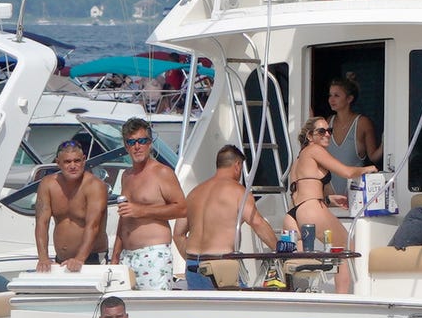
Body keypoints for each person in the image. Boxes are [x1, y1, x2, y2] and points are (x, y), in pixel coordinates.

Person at [175, 144, 276, 289]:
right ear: (237, 165)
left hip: (193, 265)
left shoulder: (194, 193)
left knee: (201, 311)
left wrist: (196, 260)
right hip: (220, 265)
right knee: (237, 311)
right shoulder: (238, 191)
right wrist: (279, 251)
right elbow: (257, 223)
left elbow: (178, 234)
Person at [285, 118, 368, 289]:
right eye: (321, 131)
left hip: (293, 214)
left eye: (329, 130)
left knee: (301, 270)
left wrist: (329, 199)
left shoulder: (299, 159)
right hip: (311, 209)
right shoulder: (315, 149)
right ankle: (342, 303)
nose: (327, 134)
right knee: (345, 250)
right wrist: (369, 169)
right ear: (310, 136)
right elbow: (347, 172)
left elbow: (301, 190)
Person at [110, 119, 186, 292]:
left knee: (155, 310)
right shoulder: (127, 176)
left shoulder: (162, 172)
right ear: (126, 145)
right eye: (132, 142)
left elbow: (182, 208)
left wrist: (141, 210)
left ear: (150, 143)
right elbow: (124, 217)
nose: (137, 146)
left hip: (153, 254)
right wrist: (115, 257)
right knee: (127, 308)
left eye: (142, 141)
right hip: (126, 257)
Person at [35, 137, 108, 271]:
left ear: (84, 160)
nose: (73, 166)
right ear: (58, 163)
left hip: (91, 258)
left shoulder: (95, 186)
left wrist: (80, 258)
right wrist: (43, 258)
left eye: (77, 161)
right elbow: (41, 223)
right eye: (67, 162)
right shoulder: (48, 184)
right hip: (61, 260)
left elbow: (93, 226)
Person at [320, 76, 380, 174]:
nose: (331, 99)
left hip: (354, 187)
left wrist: (385, 143)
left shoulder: (362, 123)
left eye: (336, 95)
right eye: (330, 95)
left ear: (349, 99)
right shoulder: (329, 121)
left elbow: (373, 156)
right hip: (328, 187)